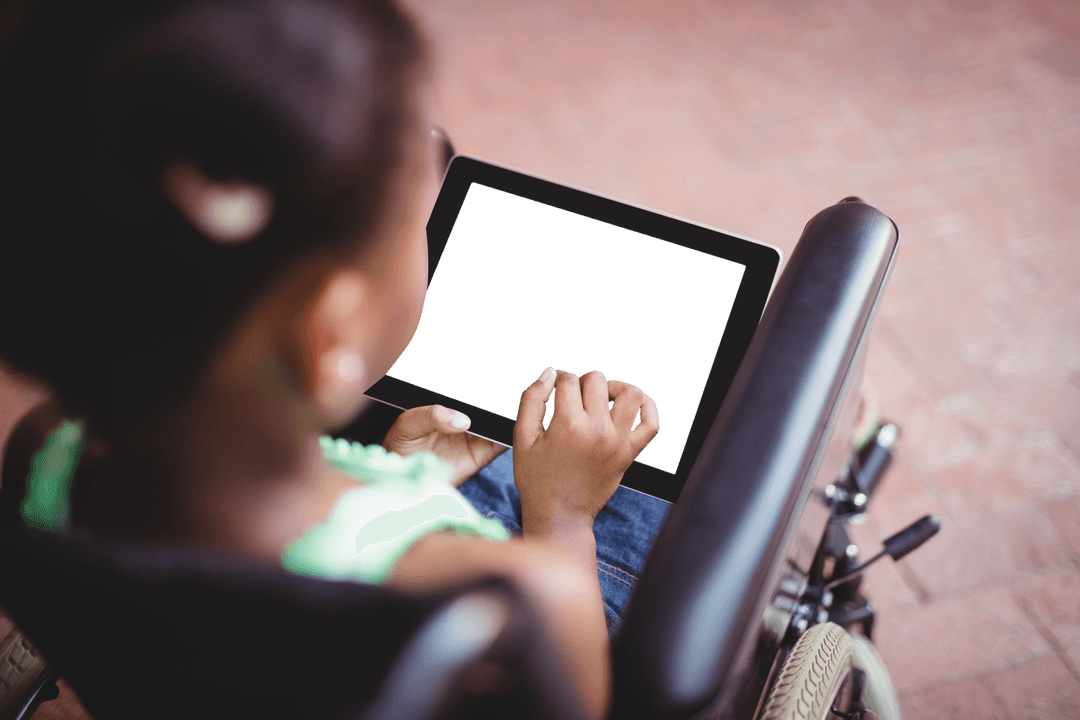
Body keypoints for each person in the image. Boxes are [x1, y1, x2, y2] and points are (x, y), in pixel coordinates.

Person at [0, 1, 669, 717]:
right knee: (645, 492)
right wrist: (563, 518)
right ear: (332, 331)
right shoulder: (517, 598)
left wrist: (402, 483)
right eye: (419, 198)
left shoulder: (44, 455)